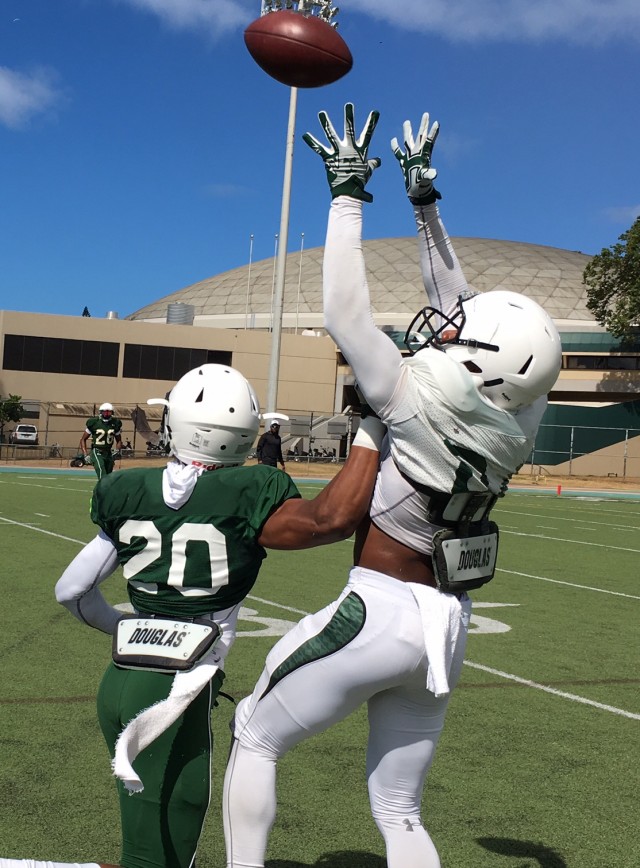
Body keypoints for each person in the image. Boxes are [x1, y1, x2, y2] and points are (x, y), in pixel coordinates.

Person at [222, 105, 563, 868]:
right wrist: (427, 207)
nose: (445, 327)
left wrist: (348, 196)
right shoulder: (521, 417)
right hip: (450, 624)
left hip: (379, 609)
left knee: (256, 729)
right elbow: (468, 317)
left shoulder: (412, 396)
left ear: (474, 361)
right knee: (400, 812)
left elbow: (347, 311)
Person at [0, 363, 384, 868]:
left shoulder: (130, 489)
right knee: (158, 854)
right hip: (173, 692)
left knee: (160, 844)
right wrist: (375, 428)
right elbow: (331, 519)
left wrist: (129, 626)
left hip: (122, 682)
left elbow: (71, 590)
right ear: (246, 433)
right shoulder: (252, 490)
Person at [80, 402, 124, 479]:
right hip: (97, 451)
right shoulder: (94, 422)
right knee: (102, 473)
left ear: (112, 412)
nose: (106, 414)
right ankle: (102, 490)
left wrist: (117, 451)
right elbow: (83, 439)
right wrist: (85, 454)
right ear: (101, 412)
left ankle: (105, 490)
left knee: (108, 476)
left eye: (108, 412)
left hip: (108, 452)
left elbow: (119, 440)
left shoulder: (115, 423)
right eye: (104, 412)